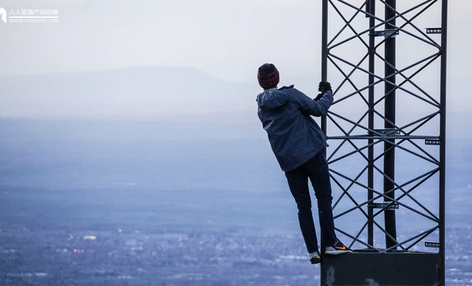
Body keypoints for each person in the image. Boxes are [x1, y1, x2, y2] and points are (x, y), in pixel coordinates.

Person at [256, 63, 351, 264]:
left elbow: (292, 116)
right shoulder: (291, 94)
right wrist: (328, 93)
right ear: (277, 78)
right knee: (323, 198)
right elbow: (318, 110)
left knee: (303, 206)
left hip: (290, 163)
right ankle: (331, 243)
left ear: (261, 83)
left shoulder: (261, 109)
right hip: (312, 154)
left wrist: (310, 102)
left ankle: (312, 251)